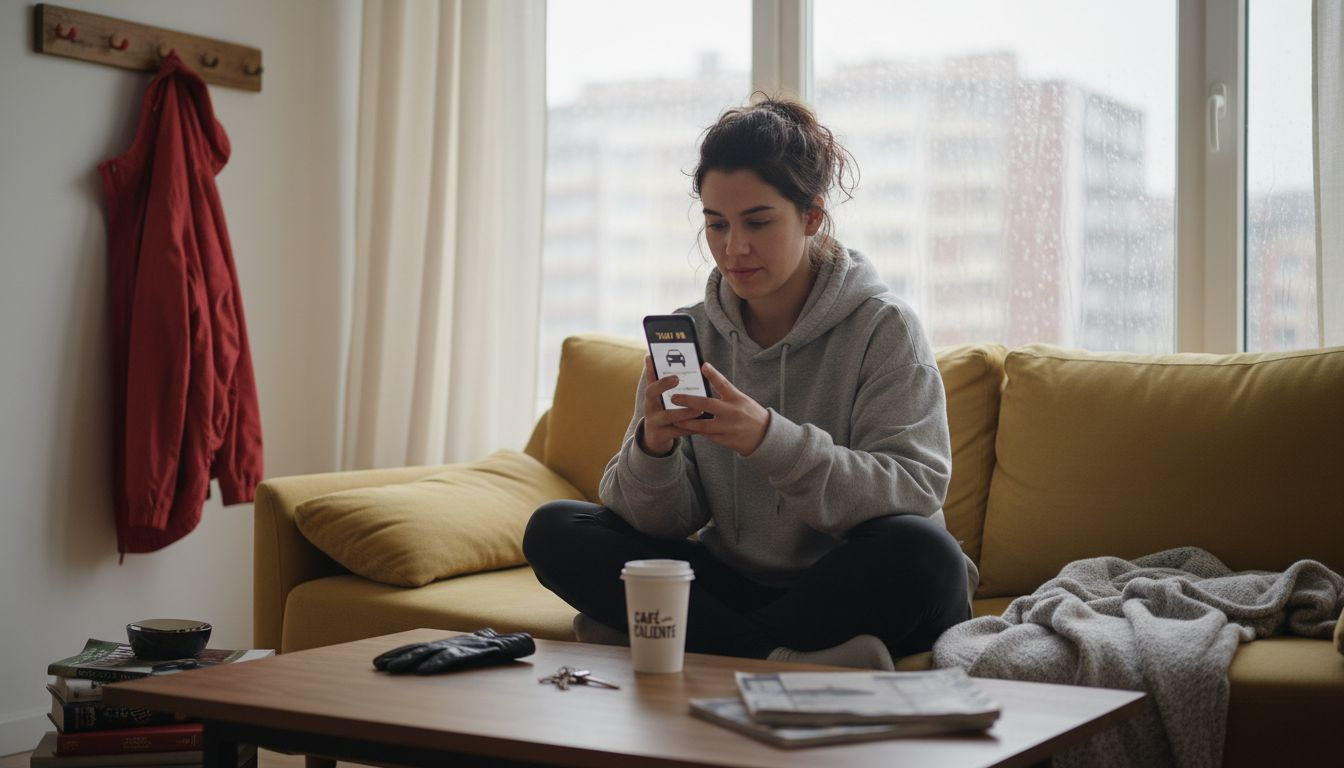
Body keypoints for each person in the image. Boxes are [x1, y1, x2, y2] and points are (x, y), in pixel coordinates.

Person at [523, 95, 977, 669]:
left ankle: (688, 640)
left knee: (926, 553)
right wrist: (653, 448)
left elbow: (914, 491)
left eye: (757, 222)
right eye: (717, 224)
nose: (733, 248)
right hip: (736, 582)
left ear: (811, 216)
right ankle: (778, 656)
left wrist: (767, 438)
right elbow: (662, 523)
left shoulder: (885, 329)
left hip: (847, 582)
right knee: (557, 528)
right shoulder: (692, 333)